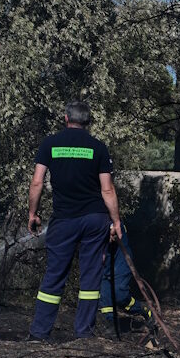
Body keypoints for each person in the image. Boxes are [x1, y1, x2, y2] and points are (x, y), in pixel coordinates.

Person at [27, 100, 122, 341]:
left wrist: (33, 213)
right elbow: (107, 190)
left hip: (64, 220)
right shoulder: (98, 147)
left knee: (55, 275)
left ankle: (39, 334)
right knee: (90, 278)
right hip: (95, 220)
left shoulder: (50, 143)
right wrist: (116, 222)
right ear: (87, 122)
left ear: (66, 119)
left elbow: (37, 182)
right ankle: (84, 335)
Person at [98, 226, 150, 335]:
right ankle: (111, 324)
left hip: (120, 257)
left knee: (119, 294)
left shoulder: (110, 220)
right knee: (105, 295)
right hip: (104, 261)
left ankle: (143, 310)